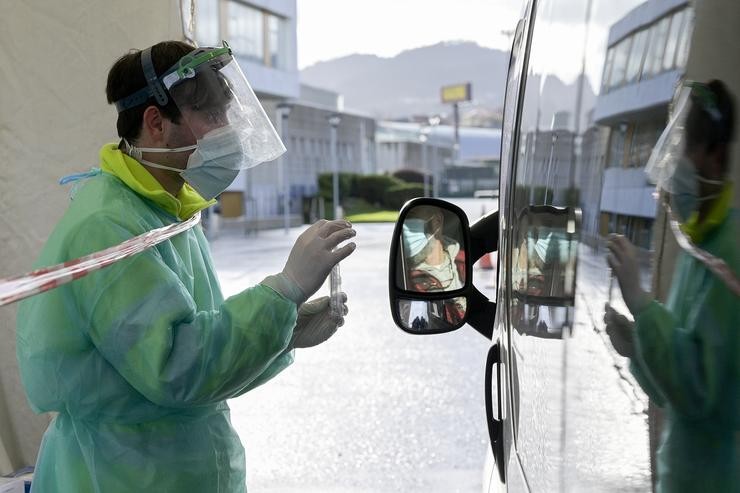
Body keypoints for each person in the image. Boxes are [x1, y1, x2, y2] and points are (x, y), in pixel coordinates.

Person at [15, 40, 356, 492]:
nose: (227, 131)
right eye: (212, 116)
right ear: (156, 122)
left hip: (171, 466)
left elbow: (198, 338)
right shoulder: (109, 225)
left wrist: (284, 328)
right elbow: (178, 368)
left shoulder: (165, 209)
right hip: (123, 475)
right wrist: (284, 290)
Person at [604, 80, 738, 492]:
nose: (670, 164)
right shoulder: (702, 246)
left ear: (714, 156)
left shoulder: (727, 254)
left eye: (682, 149)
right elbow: (674, 389)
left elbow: (698, 389)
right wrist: (637, 349)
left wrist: (644, 308)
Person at [401, 206, 466, 325]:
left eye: (412, 217)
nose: (406, 228)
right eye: (404, 220)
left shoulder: (461, 257)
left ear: (437, 221)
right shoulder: (407, 276)